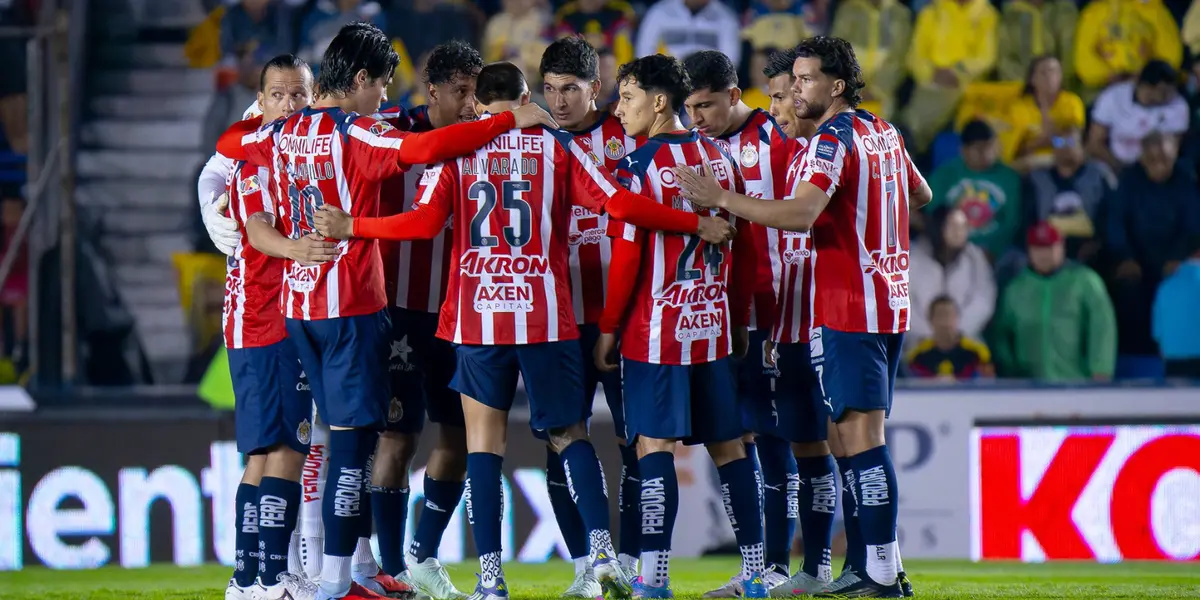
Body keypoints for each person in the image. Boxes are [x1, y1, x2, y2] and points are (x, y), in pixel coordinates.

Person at [312, 61, 734, 600]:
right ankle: (602, 555)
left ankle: (491, 581)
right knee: (570, 436)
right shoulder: (558, 148)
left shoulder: (459, 149)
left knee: (484, 448)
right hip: (545, 316)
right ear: (527, 97)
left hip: (478, 316)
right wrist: (695, 221)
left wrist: (354, 226)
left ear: (481, 107)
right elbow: (621, 204)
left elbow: (420, 224)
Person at [214, 23, 558, 600]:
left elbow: (232, 150)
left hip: (296, 307)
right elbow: (421, 149)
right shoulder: (353, 133)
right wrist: (503, 121)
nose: (384, 98)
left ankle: (281, 574)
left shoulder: (275, 135)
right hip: (348, 303)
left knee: (310, 442)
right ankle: (332, 580)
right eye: (381, 86)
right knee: (354, 443)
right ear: (359, 80)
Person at [673, 36, 931, 598]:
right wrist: (874, 229)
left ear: (833, 86)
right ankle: (864, 567)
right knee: (847, 439)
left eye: (802, 82)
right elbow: (922, 192)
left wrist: (722, 198)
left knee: (858, 439)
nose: (789, 96)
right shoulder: (884, 131)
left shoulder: (832, 139)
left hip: (847, 303)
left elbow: (799, 214)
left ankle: (882, 571)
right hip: (888, 298)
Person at [595, 53, 769, 599]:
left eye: (627, 98)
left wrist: (608, 327)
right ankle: (757, 575)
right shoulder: (723, 160)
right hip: (713, 326)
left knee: (654, 448)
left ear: (659, 102)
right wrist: (739, 319)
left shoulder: (637, 167)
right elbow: (748, 251)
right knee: (731, 448)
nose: (619, 110)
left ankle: (655, 578)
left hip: (656, 331)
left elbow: (626, 261)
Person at [680, 49, 824, 597]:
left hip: (786, 307)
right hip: (730, 315)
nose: (697, 117)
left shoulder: (781, 136)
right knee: (757, 439)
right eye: (690, 107)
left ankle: (806, 568)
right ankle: (771, 570)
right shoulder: (697, 145)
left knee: (796, 440)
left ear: (735, 95)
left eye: (706, 105)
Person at [368, 40, 485, 600]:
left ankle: (422, 558)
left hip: (460, 313)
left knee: (458, 438)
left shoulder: (489, 138)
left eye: (476, 92)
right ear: (432, 89)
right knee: (395, 438)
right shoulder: (389, 127)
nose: (470, 103)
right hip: (397, 312)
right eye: (460, 91)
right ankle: (390, 570)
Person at [218, 54, 335, 600]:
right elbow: (261, 232)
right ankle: (269, 575)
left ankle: (248, 577)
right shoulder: (259, 161)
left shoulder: (289, 158)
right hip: (266, 317)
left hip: (262, 317)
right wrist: (300, 249)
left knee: (265, 451)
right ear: (260, 102)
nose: (289, 105)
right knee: (289, 447)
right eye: (279, 96)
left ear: (311, 98)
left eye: (298, 96)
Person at [538, 35, 641, 597]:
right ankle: (584, 565)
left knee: (635, 445)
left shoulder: (625, 136)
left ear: (595, 90)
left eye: (570, 90)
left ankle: (628, 559)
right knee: (561, 439)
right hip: (558, 321)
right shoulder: (532, 144)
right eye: (549, 90)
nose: (558, 102)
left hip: (623, 319)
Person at [991, 222, 1116, 380]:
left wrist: (1101, 368)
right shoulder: (1016, 288)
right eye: (1038, 248)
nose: (1044, 254)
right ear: (1029, 251)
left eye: (1050, 247)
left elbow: (1102, 325)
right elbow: (1002, 334)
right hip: (1028, 386)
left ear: (1061, 247)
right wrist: (1010, 372)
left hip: (1078, 382)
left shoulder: (1085, 281)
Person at [926, 120, 1022, 262]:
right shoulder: (944, 175)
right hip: (951, 247)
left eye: (990, 147)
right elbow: (935, 216)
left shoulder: (1010, 178)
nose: (987, 153)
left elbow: (1012, 222)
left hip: (994, 250)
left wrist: (993, 249)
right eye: (979, 149)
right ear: (964, 150)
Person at [907, 206, 995, 349]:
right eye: (953, 225)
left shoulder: (975, 257)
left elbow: (984, 300)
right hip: (918, 341)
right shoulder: (913, 256)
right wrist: (932, 335)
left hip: (966, 339)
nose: (958, 232)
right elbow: (904, 303)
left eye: (963, 227)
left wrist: (955, 333)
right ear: (938, 227)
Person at [1085, 59, 1189, 170]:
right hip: (1114, 166)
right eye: (1164, 91)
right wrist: (1119, 168)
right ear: (1146, 87)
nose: (1170, 96)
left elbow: (1172, 150)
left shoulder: (1178, 105)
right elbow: (1095, 142)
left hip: (1157, 170)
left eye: (1172, 90)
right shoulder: (1113, 96)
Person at [905, 296, 995, 380]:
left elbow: (988, 384)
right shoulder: (917, 355)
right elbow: (913, 384)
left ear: (957, 317)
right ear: (930, 319)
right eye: (940, 316)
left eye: (949, 315)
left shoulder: (978, 353)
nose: (945, 322)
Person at [762, 47, 816, 141]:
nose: (771, 111)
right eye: (772, 99)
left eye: (780, 98)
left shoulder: (842, 140)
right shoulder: (801, 153)